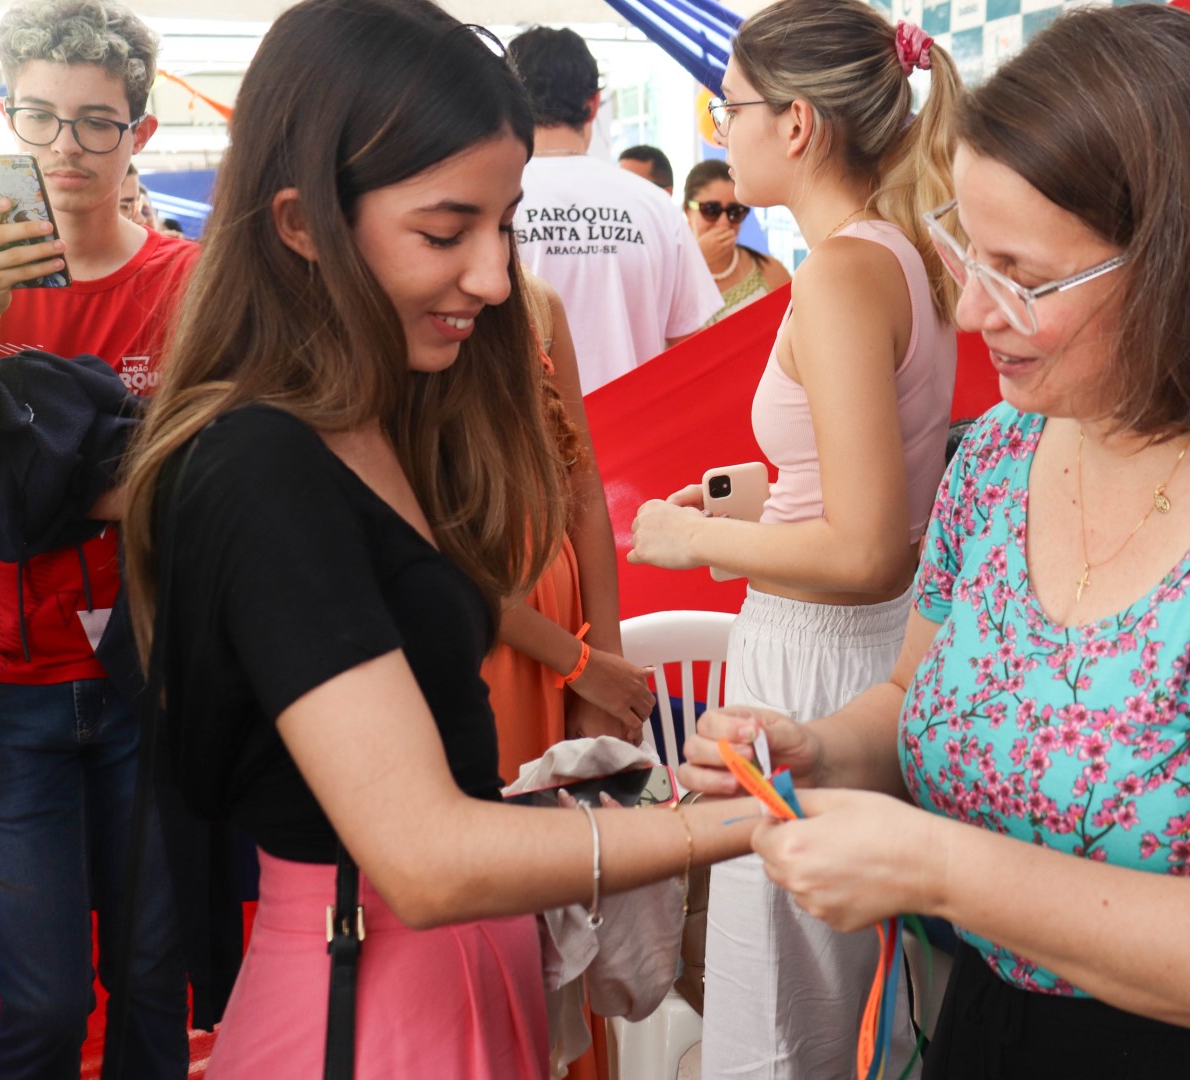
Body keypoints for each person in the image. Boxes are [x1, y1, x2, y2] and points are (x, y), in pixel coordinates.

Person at [676, 6, 1190, 1078]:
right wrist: (818, 749)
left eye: (1023, 278)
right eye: (967, 255)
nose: (976, 311)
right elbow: (911, 697)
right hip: (1004, 1026)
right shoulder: (1000, 457)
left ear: (1184, 264)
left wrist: (944, 870)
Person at [118, 3, 760, 1076]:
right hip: (370, 1007)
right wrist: (733, 829)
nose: (494, 277)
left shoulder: (387, 418)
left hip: (451, 981)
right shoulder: (258, 467)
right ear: (298, 223)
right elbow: (421, 855)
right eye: (443, 231)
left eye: (502, 226)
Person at [627, 1, 961, 1074]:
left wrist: (692, 541)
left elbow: (870, 550)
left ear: (799, 124)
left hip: (826, 663)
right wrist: (755, 503)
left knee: (791, 1019)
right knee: (835, 997)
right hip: (851, 652)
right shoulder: (896, 252)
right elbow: (872, 487)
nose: (722, 130)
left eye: (728, 108)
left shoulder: (840, 272)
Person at [0, 2, 199, 1076]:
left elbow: (203, 479)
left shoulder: (187, 287)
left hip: (143, 682)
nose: (63, 148)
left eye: (95, 122)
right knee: (41, 1005)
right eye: (38, 117)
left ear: (141, 135)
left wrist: (32, 485)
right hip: (8, 689)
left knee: (155, 982)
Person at [481, 271, 654, 778]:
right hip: (491, 635)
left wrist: (608, 672)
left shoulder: (536, 304)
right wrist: (582, 664)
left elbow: (584, 491)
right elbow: (431, 557)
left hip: (565, 637)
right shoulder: (390, 319)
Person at [509, 27, 721, 393]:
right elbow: (691, 348)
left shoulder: (494, 203)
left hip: (525, 436)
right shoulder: (656, 207)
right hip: (640, 435)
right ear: (592, 103)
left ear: (510, 99)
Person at [681, 159, 791, 324]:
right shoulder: (671, 275)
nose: (724, 222)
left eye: (735, 212)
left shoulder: (768, 268)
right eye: (711, 210)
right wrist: (696, 260)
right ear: (688, 211)